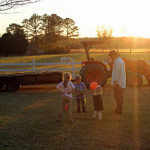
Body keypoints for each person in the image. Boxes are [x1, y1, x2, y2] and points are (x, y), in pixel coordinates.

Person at [109, 50, 126, 114]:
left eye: (111, 56)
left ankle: (118, 110)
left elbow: (116, 73)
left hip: (118, 82)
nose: (111, 58)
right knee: (118, 97)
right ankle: (118, 109)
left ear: (114, 55)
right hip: (119, 82)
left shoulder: (118, 62)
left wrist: (114, 82)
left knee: (118, 97)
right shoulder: (119, 61)